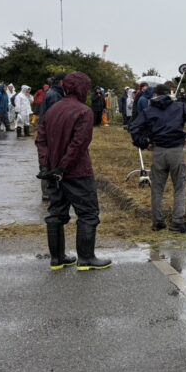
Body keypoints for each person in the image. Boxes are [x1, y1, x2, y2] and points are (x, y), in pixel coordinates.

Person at [36, 71, 111, 270]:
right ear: (82, 88)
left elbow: (41, 140)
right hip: (77, 172)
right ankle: (86, 258)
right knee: (88, 213)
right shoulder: (84, 112)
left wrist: (46, 166)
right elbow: (79, 144)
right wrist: (63, 167)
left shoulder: (52, 110)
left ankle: (57, 258)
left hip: (53, 172)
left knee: (56, 213)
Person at [129, 83, 186, 233]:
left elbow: (134, 128)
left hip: (158, 151)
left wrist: (144, 144)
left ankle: (158, 222)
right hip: (176, 150)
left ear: (155, 95)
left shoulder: (149, 110)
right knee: (180, 187)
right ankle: (178, 222)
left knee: (157, 188)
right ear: (169, 94)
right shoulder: (180, 107)